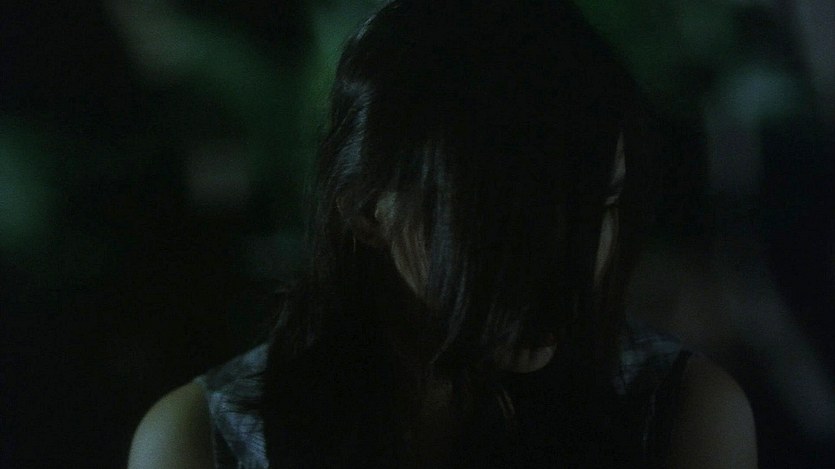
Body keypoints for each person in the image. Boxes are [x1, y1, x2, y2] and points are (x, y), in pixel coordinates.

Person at [128, 1, 756, 467]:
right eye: (514, 212)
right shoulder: (209, 441)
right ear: (367, 211)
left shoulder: (675, 414)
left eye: (603, 203)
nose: (576, 252)